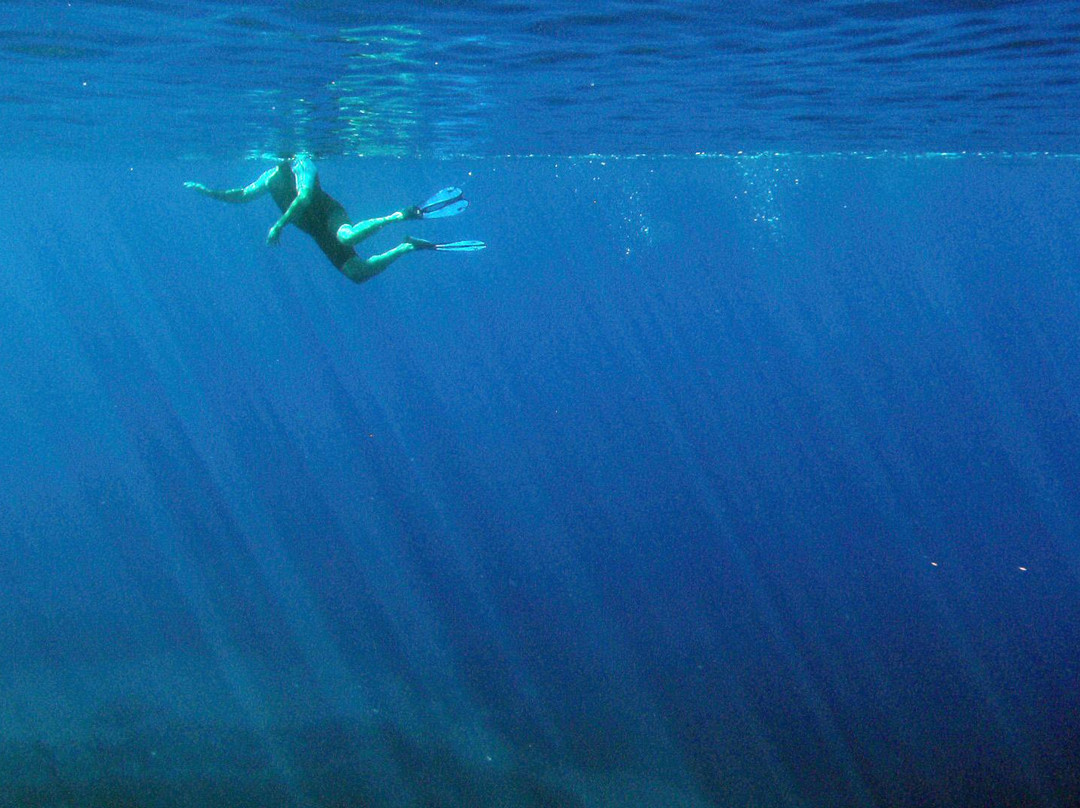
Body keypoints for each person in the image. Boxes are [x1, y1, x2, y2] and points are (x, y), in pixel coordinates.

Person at [185, 153, 485, 284]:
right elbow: (241, 194)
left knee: (347, 236)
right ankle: (407, 246)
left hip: (331, 216)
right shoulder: (270, 177)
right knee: (358, 274)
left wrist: (278, 225)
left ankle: (401, 215)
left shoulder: (304, 165)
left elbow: (303, 199)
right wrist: (208, 192)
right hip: (318, 233)